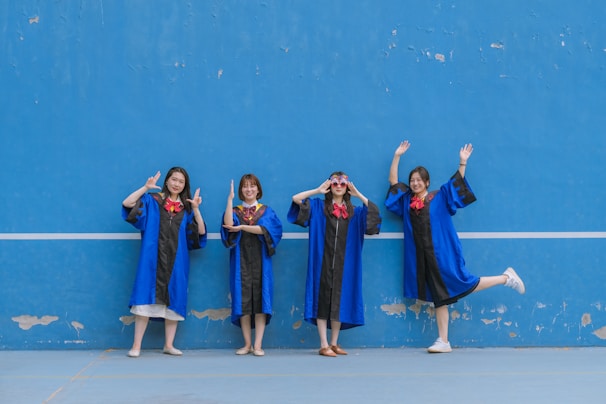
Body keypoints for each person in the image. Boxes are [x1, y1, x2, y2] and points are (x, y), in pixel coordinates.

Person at [385, 141, 525, 353]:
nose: (414, 184)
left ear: (426, 182)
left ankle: (505, 278)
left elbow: (456, 185)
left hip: (443, 255)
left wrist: (462, 162)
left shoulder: (438, 197)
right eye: (412, 181)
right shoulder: (406, 202)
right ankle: (443, 340)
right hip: (422, 260)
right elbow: (393, 182)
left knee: (463, 283)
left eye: (418, 180)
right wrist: (397, 156)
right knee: (440, 298)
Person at [288, 172, 381, 357]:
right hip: (322, 262)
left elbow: (374, 213)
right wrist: (317, 190)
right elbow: (296, 199)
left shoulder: (355, 212)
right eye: (335, 182)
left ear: (347, 186)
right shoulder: (318, 207)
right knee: (322, 300)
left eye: (343, 183)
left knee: (340, 301)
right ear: (330, 186)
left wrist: (358, 194)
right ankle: (323, 344)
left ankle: (334, 343)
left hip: (344, 264)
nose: (339, 186)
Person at [122, 167, 207, 358]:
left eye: (181, 182)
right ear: (167, 181)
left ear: (185, 186)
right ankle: (136, 345)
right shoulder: (153, 201)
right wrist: (145, 188)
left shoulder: (186, 209)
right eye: (174, 179)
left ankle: (168, 344)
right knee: (144, 298)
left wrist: (195, 209)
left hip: (177, 262)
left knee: (173, 300)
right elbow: (127, 204)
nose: (177, 184)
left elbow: (200, 232)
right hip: (151, 259)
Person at [221, 174, 283, 357]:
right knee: (243, 302)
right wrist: (229, 200)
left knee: (261, 301)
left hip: (261, 261)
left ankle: (258, 345)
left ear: (258, 189)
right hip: (240, 262)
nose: (249, 189)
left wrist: (242, 228)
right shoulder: (235, 210)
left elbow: (265, 230)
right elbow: (228, 225)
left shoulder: (267, 211)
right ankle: (247, 344)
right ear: (240, 190)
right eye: (245, 186)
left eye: (252, 186)